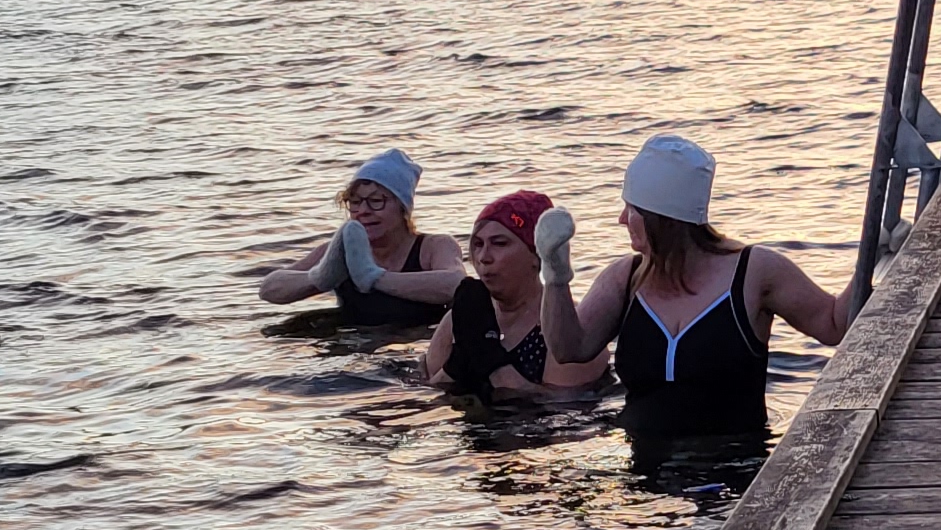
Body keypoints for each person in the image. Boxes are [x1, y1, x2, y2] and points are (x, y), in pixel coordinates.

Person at [538, 134, 849, 444]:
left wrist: (879, 261)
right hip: (644, 481)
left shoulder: (754, 273)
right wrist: (555, 275)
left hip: (731, 474)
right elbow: (568, 349)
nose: (622, 219)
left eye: (631, 209)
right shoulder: (626, 277)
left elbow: (833, 325)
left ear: (662, 220)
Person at [424, 191, 611, 399]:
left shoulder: (567, 328)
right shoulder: (463, 320)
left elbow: (561, 409)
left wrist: (491, 362)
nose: (484, 257)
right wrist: (456, 365)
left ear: (536, 255)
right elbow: (429, 395)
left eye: (499, 243)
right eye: (478, 245)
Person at [258, 150, 463, 327]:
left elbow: (457, 284)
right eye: (354, 202)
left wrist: (372, 276)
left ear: (403, 208)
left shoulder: (434, 246)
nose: (363, 211)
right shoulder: (338, 251)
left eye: (375, 201)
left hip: (415, 350)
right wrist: (321, 277)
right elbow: (269, 288)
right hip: (355, 354)